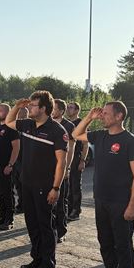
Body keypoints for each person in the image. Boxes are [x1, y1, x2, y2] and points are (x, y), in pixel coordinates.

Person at [72, 101, 134, 268]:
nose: (101, 115)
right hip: (101, 199)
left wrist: (133, 205)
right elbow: (76, 135)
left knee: (122, 246)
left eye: (105, 113)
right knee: (105, 243)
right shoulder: (100, 136)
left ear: (119, 116)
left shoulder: (131, 141)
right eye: (101, 113)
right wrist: (88, 118)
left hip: (121, 202)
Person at [4, 92, 67, 268]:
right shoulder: (28, 124)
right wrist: (16, 107)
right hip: (27, 183)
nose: (29, 108)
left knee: (45, 225)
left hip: (45, 186)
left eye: (33, 105)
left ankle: (48, 263)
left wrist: (56, 188)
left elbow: (61, 163)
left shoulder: (57, 131)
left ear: (43, 109)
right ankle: (36, 259)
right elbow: (9, 122)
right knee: (32, 224)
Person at [51, 99, 77, 242]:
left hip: (62, 168)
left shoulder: (69, 125)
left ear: (61, 110)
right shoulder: (48, 124)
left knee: (60, 202)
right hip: (48, 168)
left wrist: (67, 167)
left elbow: (71, 148)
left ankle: (60, 232)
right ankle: (50, 230)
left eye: (54, 109)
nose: (52, 111)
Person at [65, 101, 87, 221]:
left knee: (75, 186)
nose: (68, 110)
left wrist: (82, 160)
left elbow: (85, 144)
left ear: (77, 110)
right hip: (66, 158)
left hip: (76, 158)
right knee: (67, 185)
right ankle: (68, 208)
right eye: (67, 107)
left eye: (71, 108)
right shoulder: (66, 123)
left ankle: (76, 211)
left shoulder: (80, 123)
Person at [12, 106, 29, 213]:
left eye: (22, 113)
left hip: (26, 161)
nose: (19, 115)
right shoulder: (15, 127)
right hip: (16, 160)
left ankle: (25, 204)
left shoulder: (29, 127)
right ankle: (21, 204)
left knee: (24, 184)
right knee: (17, 184)